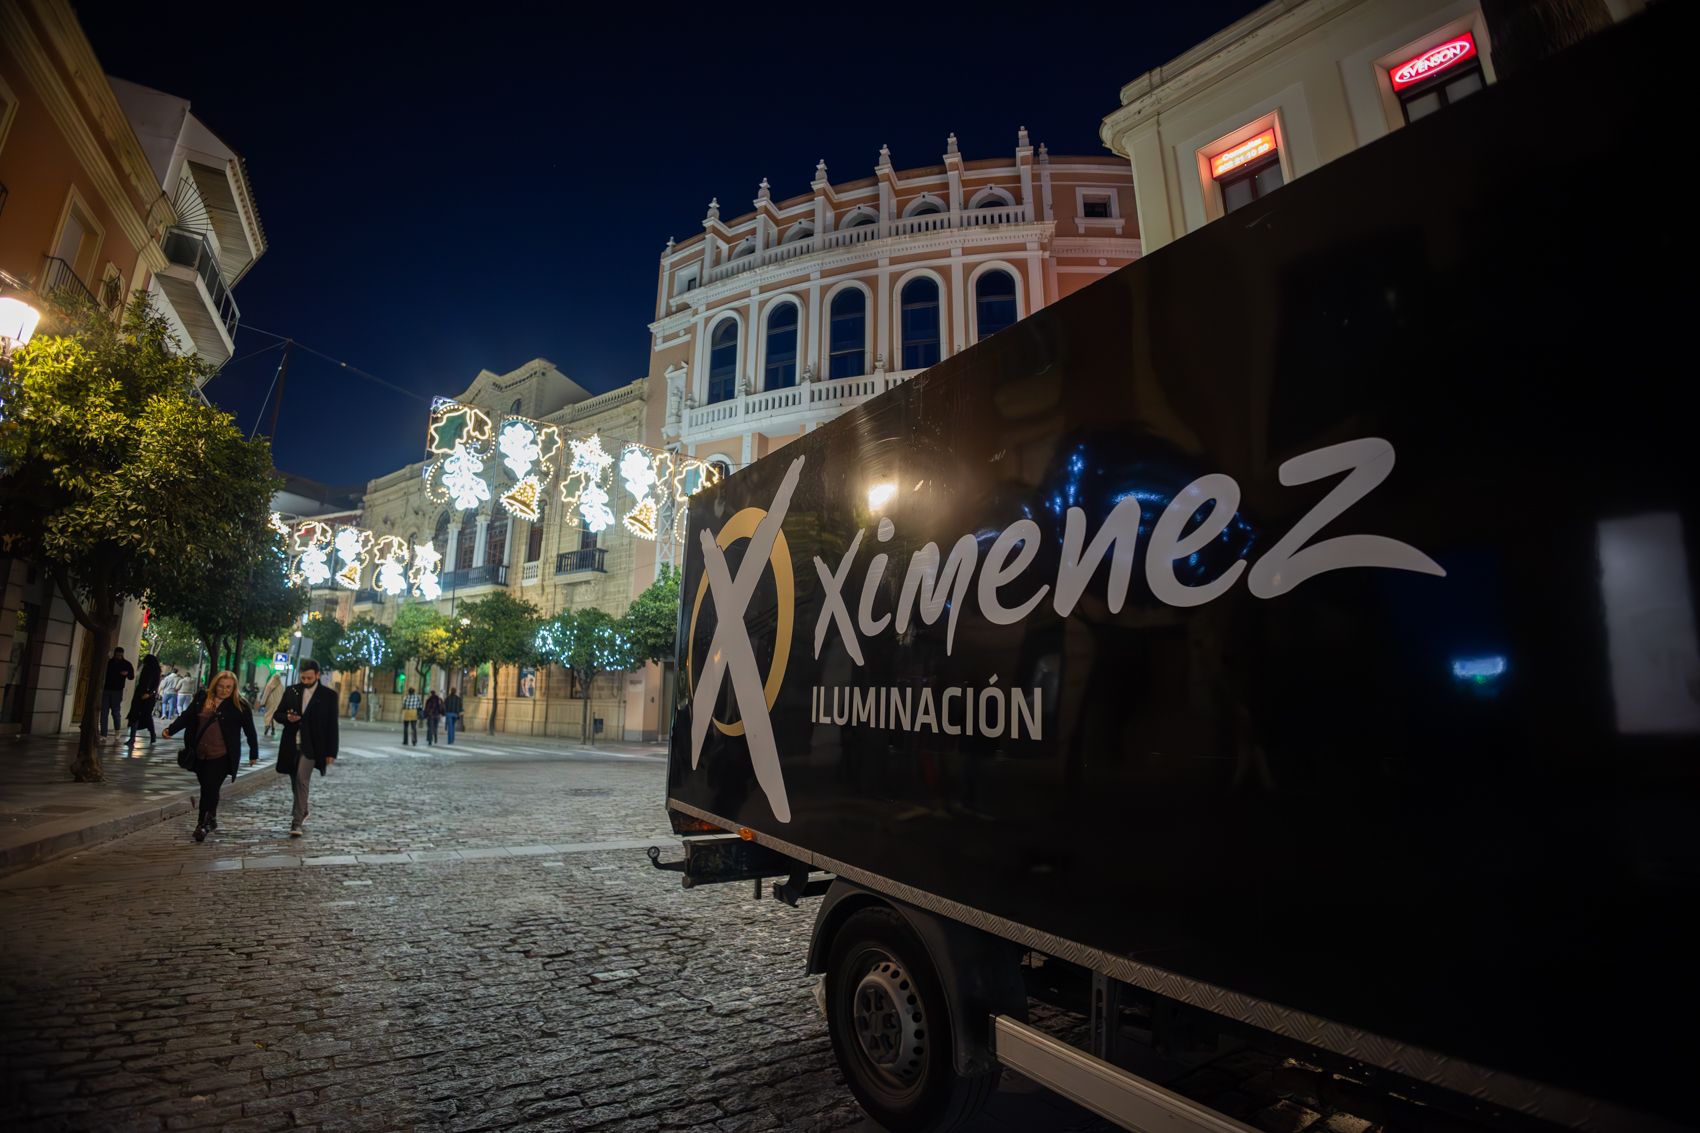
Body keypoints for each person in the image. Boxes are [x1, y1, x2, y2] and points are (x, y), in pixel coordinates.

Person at [164, 669, 257, 842]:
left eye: (229, 687)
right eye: (221, 686)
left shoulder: (240, 705)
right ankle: (211, 818)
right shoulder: (202, 698)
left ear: (234, 688)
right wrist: (171, 729)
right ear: (215, 685)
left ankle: (202, 824)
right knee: (206, 786)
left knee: (210, 788)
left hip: (221, 754)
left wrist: (254, 753)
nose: (224, 690)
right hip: (200, 752)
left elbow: (250, 730)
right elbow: (187, 717)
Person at [272, 658, 338, 838]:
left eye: (309, 678)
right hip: (291, 744)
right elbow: (277, 714)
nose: (306, 681)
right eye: (303, 678)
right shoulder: (291, 691)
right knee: (295, 780)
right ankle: (304, 809)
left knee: (302, 778)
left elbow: (332, 725)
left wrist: (331, 752)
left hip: (312, 745)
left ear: (317, 675)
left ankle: (297, 821)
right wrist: (287, 717)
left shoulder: (328, 696)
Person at [125, 654, 163, 752]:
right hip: (140, 694)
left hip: (148, 696)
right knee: (134, 714)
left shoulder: (155, 671)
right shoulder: (146, 669)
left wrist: (149, 693)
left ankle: (152, 734)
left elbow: (155, 685)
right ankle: (132, 737)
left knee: (146, 716)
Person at [100, 647, 133, 738]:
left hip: (117, 690)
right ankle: (104, 733)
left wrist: (126, 674)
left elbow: (131, 676)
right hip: (108, 689)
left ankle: (116, 730)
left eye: (120, 655)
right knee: (105, 712)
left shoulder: (125, 664)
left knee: (115, 712)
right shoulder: (110, 663)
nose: (118, 656)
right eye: (117, 655)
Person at [258, 672, 285, 739]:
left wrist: (263, 702)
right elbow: (283, 695)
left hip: (270, 702)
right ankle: (273, 728)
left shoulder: (269, 684)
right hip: (277, 702)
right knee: (275, 714)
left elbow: (266, 693)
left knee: (269, 713)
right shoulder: (281, 686)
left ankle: (267, 725)